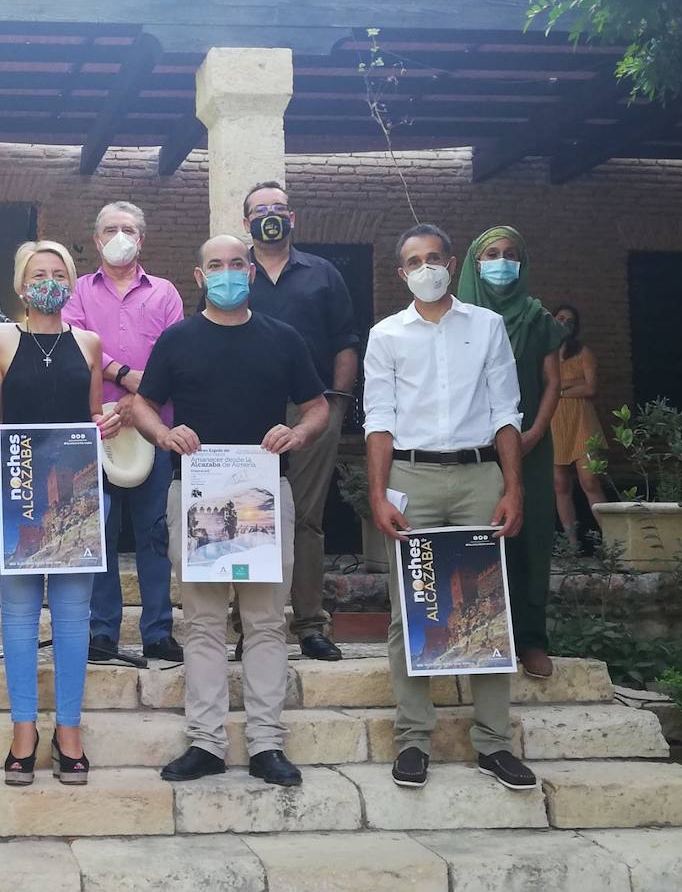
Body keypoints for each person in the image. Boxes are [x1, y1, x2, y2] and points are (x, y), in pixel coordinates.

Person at [132, 234, 329, 787]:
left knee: (266, 622)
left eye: (236, 264)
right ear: (198, 277)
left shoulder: (283, 339)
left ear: (250, 272)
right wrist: (165, 433)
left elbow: (316, 407)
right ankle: (207, 743)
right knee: (202, 624)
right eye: (214, 265)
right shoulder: (177, 340)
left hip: (265, 493)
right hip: (198, 493)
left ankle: (267, 744)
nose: (226, 272)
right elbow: (141, 403)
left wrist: (298, 431)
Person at [364, 223, 537, 792]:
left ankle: (493, 742)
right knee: (408, 612)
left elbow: (505, 409)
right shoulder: (386, 334)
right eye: (415, 261)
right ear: (402, 273)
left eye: (434, 258)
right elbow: (379, 419)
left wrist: (513, 487)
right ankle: (414, 739)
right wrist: (377, 492)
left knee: (488, 605)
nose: (427, 268)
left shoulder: (486, 327)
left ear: (451, 261)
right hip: (411, 476)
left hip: (477, 475)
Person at [0, 240, 121, 786]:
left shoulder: (88, 342)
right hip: (13, 495)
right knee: (16, 613)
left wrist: (109, 422)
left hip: (80, 495)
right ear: (20, 284)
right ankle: (22, 730)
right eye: (39, 274)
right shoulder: (1, 344)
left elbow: (92, 416)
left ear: (72, 282)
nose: (49, 282)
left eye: (59, 273)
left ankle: (70, 731)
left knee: (73, 613)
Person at [234, 182, 360, 663]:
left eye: (279, 208)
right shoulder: (234, 271)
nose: (271, 216)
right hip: (245, 413)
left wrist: (336, 406)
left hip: (311, 411)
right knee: (250, 517)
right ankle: (252, 627)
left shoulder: (323, 274)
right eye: (260, 210)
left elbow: (345, 341)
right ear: (246, 223)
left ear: (293, 218)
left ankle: (310, 624)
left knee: (306, 518)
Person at [60, 201, 184, 663]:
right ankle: (102, 630)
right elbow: (72, 345)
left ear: (141, 239)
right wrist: (125, 375)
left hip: (154, 427)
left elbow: (177, 356)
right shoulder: (77, 291)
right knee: (101, 531)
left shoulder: (166, 293)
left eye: (127, 229)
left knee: (155, 533)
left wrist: (139, 397)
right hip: (96, 426)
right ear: (96, 240)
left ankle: (157, 630)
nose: (118, 236)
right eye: (109, 229)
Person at [458, 227, 564, 680]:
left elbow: (553, 381)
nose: (502, 262)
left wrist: (535, 431)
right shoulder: (457, 316)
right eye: (491, 254)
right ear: (474, 263)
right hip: (473, 449)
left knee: (529, 535)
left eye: (510, 254)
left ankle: (531, 638)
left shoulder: (537, 317)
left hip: (529, 446)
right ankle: (475, 637)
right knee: (476, 540)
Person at [550, 305, 608, 548]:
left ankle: (614, 541)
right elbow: (540, 389)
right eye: (561, 319)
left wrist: (559, 389)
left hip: (582, 422)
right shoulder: (545, 354)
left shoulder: (583, 352)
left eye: (570, 320)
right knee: (560, 484)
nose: (565, 323)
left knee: (590, 481)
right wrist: (571, 388)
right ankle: (572, 546)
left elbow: (591, 388)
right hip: (553, 423)